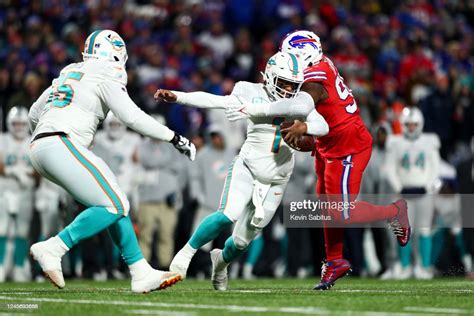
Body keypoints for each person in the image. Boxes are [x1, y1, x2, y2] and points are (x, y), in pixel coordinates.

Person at [225, 30, 411, 290]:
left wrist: (263, 112)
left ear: (304, 55)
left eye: (291, 55)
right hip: (328, 145)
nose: (287, 61)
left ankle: (393, 211)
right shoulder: (316, 65)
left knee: (340, 211)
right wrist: (304, 132)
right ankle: (334, 261)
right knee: (326, 207)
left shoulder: (315, 77)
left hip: (348, 147)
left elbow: (302, 106)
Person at [27, 29, 195, 293]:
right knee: (117, 203)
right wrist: (173, 137)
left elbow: (34, 112)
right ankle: (53, 247)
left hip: (41, 145)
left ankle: (140, 272)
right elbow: (132, 117)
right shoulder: (107, 71)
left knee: (113, 200)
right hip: (61, 142)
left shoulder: (70, 70)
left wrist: (50, 132)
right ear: (117, 53)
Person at [156, 51, 329, 290]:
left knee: (240, 242)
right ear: (270, 76)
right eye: (284, 83)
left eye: (293, 84)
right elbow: (216, 101)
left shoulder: (299, 101)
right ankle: (185, 254)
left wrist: (304, 127)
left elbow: (323, 126)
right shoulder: (250, 91)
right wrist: (178, 97)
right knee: (228, 213)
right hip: (247, 166)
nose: (289, 89)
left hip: (278, 178)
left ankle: (221, 263)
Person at [385, 107, 441, 279]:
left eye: (414, 124)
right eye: (408, 124)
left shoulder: (429, 141)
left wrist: (429, 185)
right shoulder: (395, 142)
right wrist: (398, 186)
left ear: (420, 124)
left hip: (423, 192)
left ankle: (423, 267)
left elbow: (435, 167)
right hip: (403, 193)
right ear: (402, 124)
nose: (410, 128)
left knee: (424, 230)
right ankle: (405, 266)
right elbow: (390, 168)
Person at [0, 107, 35, 282]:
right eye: (16, 123)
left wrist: (29, 174)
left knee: (22, 231)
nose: (20, 127)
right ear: (9, 123)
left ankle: (20, 266)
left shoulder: (33, 142)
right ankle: (0, 266)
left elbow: (40, 170)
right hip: (4, 189)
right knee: (2, 228)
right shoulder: (2, 139)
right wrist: (13, 171)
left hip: (25, 191)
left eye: (23, 124)